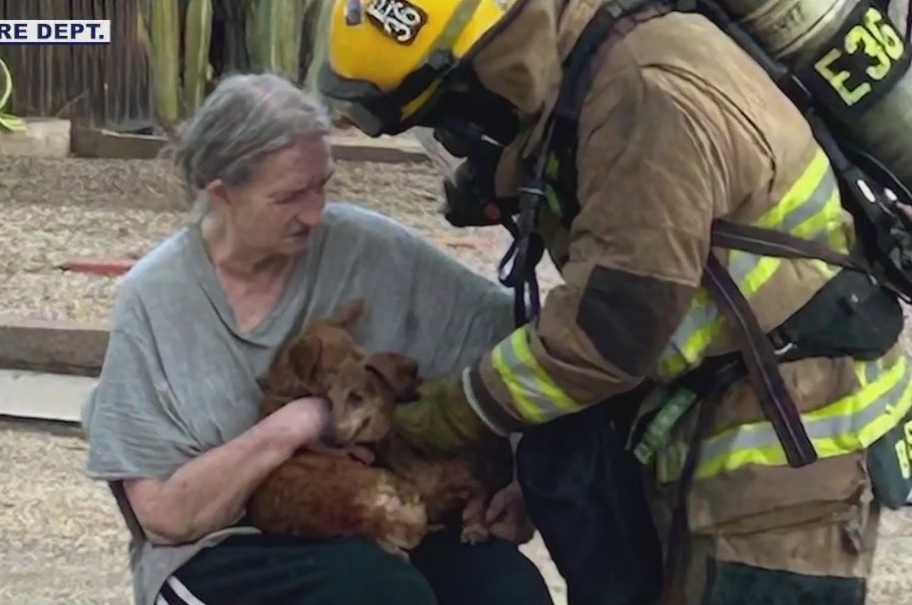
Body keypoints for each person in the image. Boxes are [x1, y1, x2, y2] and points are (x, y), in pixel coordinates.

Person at [315, 1, 912, 605]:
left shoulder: (641, 98)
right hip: (737, 411)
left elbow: (610, 332)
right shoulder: (598, 71)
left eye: (448, 119)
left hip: (786, 452)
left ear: (495, 65)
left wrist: (440, 415)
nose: (457, 145)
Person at [80, 72, 554, 605]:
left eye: (322, 185)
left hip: (385, 514)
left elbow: (522, 340)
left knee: (507, 590)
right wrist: (294, 426)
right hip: (224, 546)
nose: (314, 213)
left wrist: (524, 480)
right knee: (377, 594)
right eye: (289, 197)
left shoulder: (368, 249)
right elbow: (164, 517)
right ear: (222, 194)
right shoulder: (158, 299)